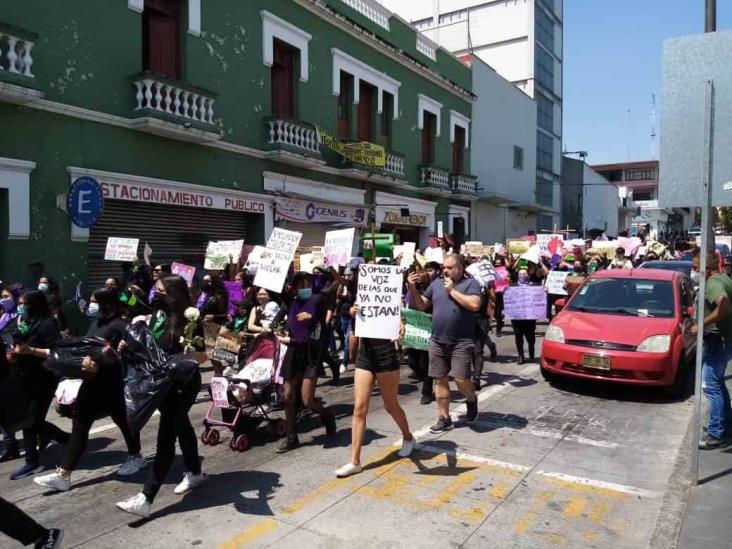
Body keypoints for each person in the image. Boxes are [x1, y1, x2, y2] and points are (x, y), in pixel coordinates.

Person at [33, 288, 143, 493]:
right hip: (91, 382)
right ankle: (64, 475)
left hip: (111, 383)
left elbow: (133, 351)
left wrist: (121, 350)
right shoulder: (95, 323)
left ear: (105, 304)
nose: (89, 305)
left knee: (123, 422)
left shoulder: (120, 325)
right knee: (81, 425)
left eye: (93, 301)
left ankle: (135, 456)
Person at [116, 275, 206, 517]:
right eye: (156, 291)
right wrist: (130, 346)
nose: (157, 294)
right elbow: (151, 346)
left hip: (182, 384)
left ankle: (146, 497)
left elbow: (203, 357)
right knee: (182, 426)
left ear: (175, 292)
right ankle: (195, 473)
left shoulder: (190, 318)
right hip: (161, 381)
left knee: (165, 436)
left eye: (162, 291)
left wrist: (191, 352)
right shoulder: (158, 314)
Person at [334, 302, 415, 478]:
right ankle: (355, 462)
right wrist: (352, 311)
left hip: (386, 354)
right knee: (359, 408)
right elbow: (349, 311)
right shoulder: (364, 289)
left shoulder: (390, 292)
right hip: (365, 354)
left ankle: (408, 437)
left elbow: (399, 316)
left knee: (390, 405)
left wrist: (401, 324)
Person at [407, 254, 480, 433]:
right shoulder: (437, 283)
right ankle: (444, 418)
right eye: (444, 267)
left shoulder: (471, 284)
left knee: (460, 379)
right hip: (437, 340)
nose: (445, 271)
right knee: (439, 380)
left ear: (460, 268)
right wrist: (412, 287)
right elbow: (422, 305)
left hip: (461, 342)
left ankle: (471, 399)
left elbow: (475, 305)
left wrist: (452, 291)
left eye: (450, 267)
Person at [274, 272, 336, 453]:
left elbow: (323, 320)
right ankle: (291, 438)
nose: (305, 288)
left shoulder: (318, 300)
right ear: (293, 288)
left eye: (307, 284)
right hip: (294, 354)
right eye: (301, 285)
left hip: (311, 355)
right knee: (288, 396)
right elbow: (274, 286)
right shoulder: (290, 302)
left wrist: (313, 318)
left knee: (308, 400)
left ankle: (327, 417)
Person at [9, 290, 69, 480]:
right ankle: (68, 440)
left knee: (31, 422)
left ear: (34, 304)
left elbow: (56, 352)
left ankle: (32, 462)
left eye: (23, 304)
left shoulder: (48, 324)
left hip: (42, 379)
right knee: (29, 420)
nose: (20, 307)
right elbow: (18, 340)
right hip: (24, 378)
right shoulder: (27, 323)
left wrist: (31, 350)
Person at [692, 253, 732, 449]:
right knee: (718, 384)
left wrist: (701, 324)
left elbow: (723, 307)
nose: (693, 271)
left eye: (695, 267)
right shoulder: (723, 278)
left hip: (718, 341)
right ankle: (726, 427)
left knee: (711, 386)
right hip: (722, 340)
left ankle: (716, 434)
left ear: (705, 269)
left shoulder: (713, 283)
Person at [510, 268, 538, 365]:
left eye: (524, 273)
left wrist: (544, 291)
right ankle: (520, 355)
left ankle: (531, 351)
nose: (522, 275)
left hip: (530, 317)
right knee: (518, 336)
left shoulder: (534, 286)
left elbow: (539, 298)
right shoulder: (512, 286)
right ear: (518, 276)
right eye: (520, 273)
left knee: (530, 337)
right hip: (517, 317)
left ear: (528, 275)